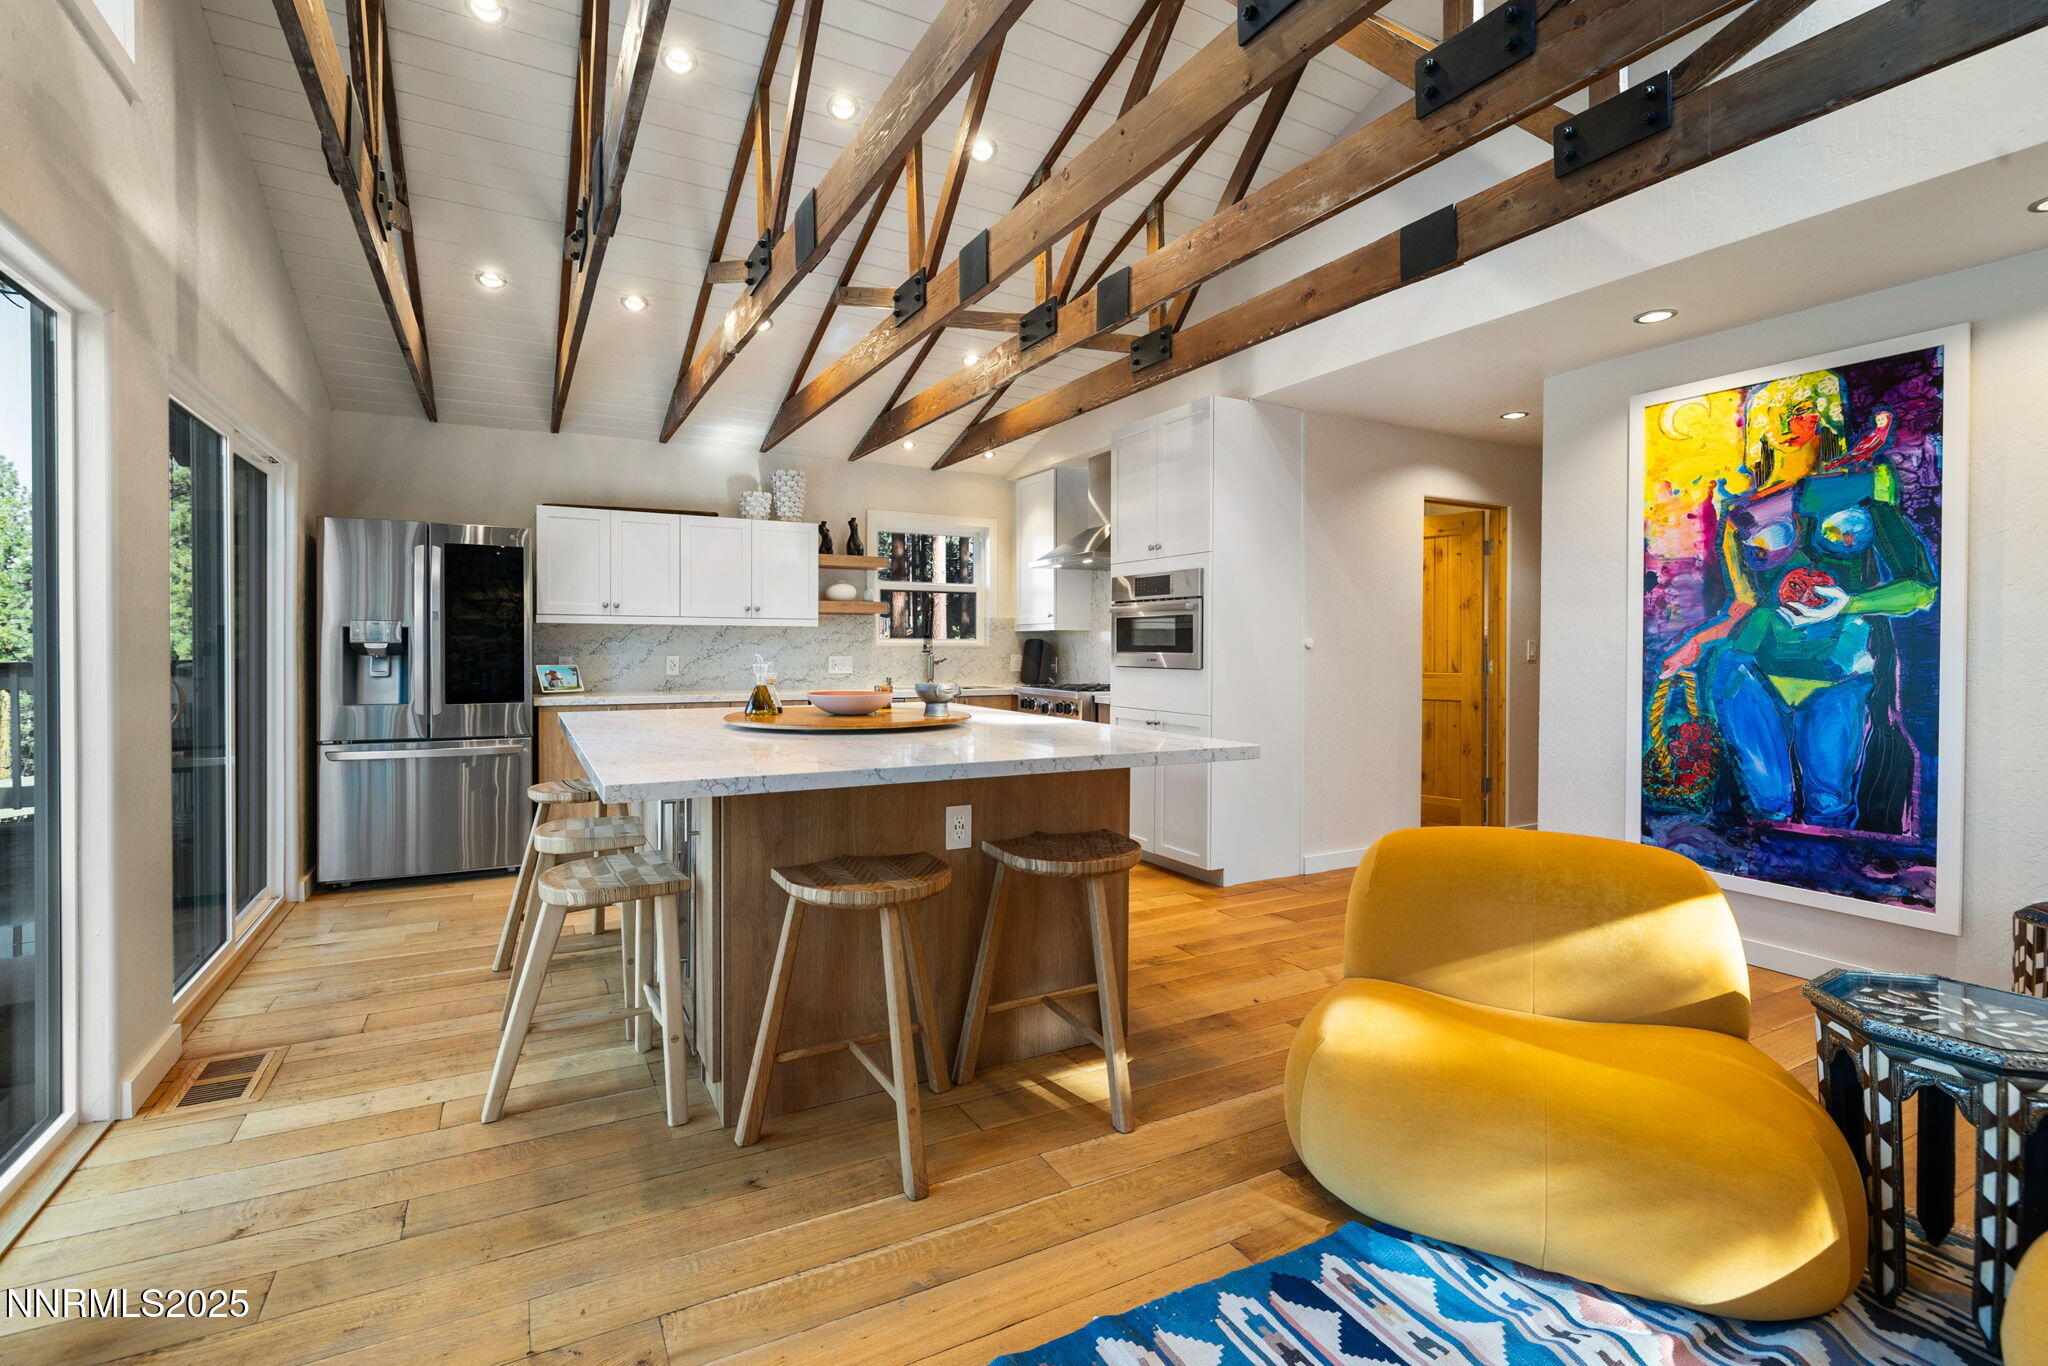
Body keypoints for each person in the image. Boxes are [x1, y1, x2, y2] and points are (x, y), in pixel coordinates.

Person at [1657, 369, 1935, 829]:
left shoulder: (1867, 488)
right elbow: (1745, 608)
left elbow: (1921, 588)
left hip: (1838, 669)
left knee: (1831, 808)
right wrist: (1697, 642)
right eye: (1774, 417)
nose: (1787, 427)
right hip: (1748, 671)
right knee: (1768, 808)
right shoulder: (1741, 511)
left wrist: (1849, 604)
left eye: (1802, 412)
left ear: (1827, 419)